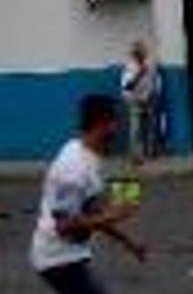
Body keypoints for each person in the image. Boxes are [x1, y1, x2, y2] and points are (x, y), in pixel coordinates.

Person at [31, 95, 147, 294]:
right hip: (56, 259)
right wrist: (113, 214)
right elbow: (64, 225)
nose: (118, 129)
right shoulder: (73, 168)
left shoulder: (88, 156)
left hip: (71, 254)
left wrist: (129, 242)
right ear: (102, 124)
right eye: (115, 122)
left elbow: (91, 212)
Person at [121, 41, 160, 160]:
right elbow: (127, 86)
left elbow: (154, 81)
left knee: (151, 126)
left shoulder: (150, 66)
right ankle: (136, 155)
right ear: (135, 55)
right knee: (136, 128)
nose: (141, 55)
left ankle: (150, 151)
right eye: (138, 53)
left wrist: (154, 94)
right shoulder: (130, 68)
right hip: (134, 100)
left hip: (148, 98)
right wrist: (139, 74)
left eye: (142, 53)